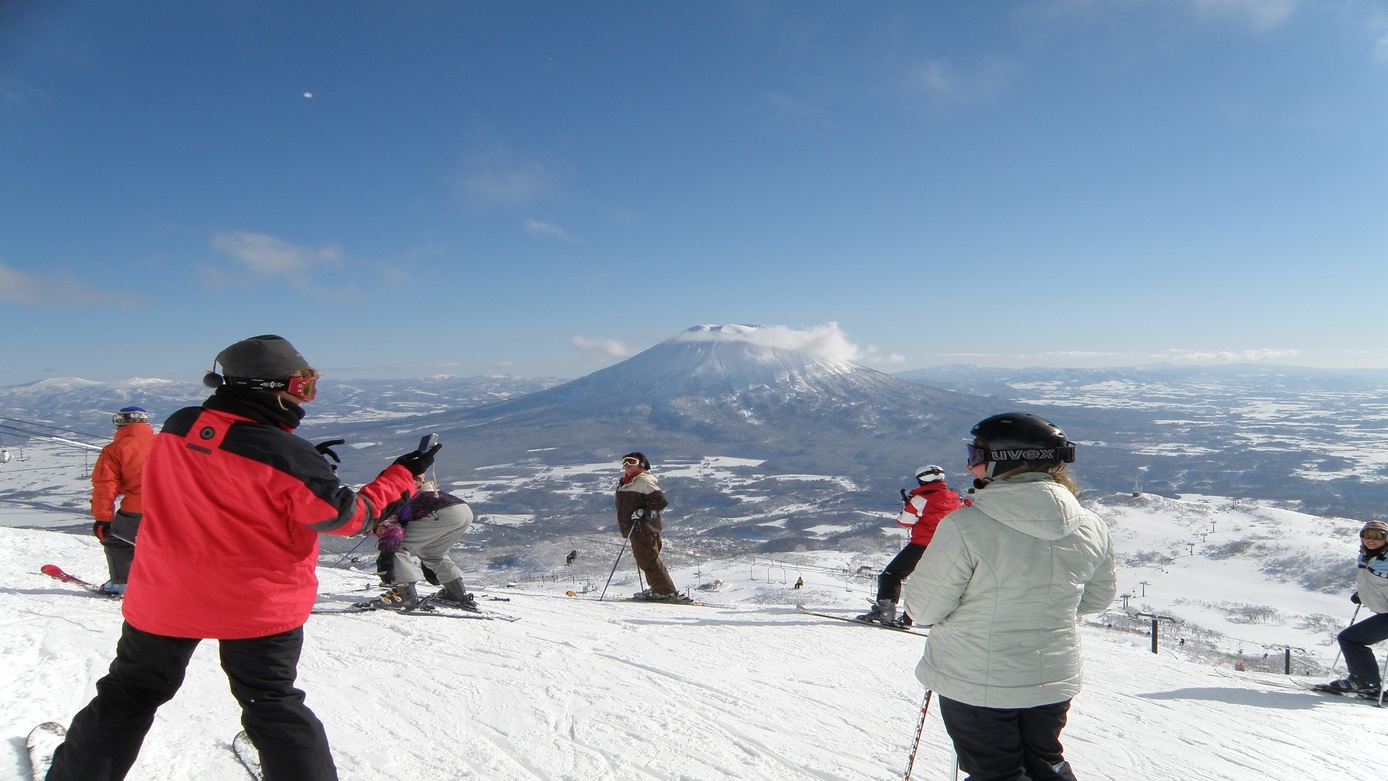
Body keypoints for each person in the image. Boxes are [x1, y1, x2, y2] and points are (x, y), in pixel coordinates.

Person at [46, 334, 436, 781]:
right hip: (256, 606)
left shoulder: (178, 426)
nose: (305, 396)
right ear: (267, 387)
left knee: (129, 694)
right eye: (302, 385)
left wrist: (306, 470)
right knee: (271, 704)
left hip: (163, 597)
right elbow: (347, 518)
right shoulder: (287, 454)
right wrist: (403, 474)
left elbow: (222, 476)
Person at [903, 412, 1116, 781]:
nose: (969, 466)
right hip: (1051, 680)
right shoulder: (1091, 524)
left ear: (1006, 460)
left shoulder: (966, 526)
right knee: (1045, 761)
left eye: (975, 455)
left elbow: (923, 609)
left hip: (975, 684)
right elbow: (1096, 600)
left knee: (996, 772)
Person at [856, 465, 965, 628]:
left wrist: (908, 506)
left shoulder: (921, 499)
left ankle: (885, 612)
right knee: (936, 581)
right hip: (947, 546)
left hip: (921, 545)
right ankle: (936, 616)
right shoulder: (955, 497)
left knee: (891, 575)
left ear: (922, 479)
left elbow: (904, 521)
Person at [370, 472, 476, 610]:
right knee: (432, 552)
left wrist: (385, 557)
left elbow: (393, 535)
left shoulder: (380, 511)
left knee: (398, 547)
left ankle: (404, 596)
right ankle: (455, 592)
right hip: (463, 510)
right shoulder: (398, 494)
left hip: (440, 512)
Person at [1315, 520, 1388, 696]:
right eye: (1366, 535)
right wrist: (1362, 594)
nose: (1370, 539)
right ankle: (1367, 682)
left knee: (1350, 639)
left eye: (1378, 535)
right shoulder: (1364, 556)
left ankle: (1365, 681)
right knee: (1351, 639)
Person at [88, 406, 155, 595]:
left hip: (138, 507)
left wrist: (103, 518)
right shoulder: (166, 442)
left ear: (121, 423)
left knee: (118, 540)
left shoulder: (114, 450)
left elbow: (105, 485)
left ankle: (122, 584)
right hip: (174, 506)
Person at [615, 451, 689, 602]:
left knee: (648, 560)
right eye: (624, 461)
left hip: (643, 528)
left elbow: (660, 502)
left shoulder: (642, 481)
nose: (627, 465)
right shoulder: (628, 481)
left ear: (641, 465)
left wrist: (644, 512)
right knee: (647, 560)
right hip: (637, 528)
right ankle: (657, 589)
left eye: (631, 462)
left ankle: (665, 592)